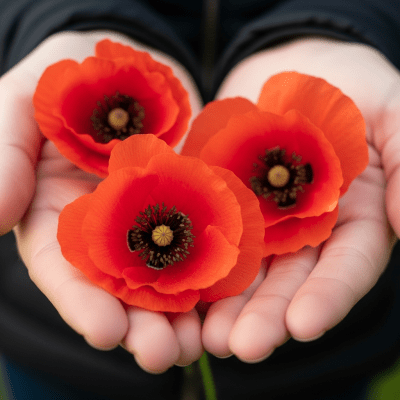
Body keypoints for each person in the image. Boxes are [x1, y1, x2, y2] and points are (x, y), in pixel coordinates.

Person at [0, 0, 400, 399]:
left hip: (317, 363)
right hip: (58, 354)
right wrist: (57, 20)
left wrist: (352, 27)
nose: (160, 234)